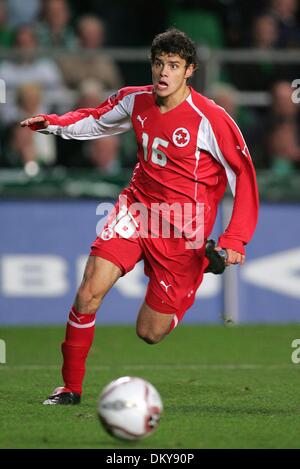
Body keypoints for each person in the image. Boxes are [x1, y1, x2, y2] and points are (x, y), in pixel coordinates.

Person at [20, 28, 259, 405]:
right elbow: (96, 119)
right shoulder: (135, 100)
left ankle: (193, 274)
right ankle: (69, 387)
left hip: (183, 231)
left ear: (190, 71)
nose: (164, 72)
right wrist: (54, 124)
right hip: (137, 210)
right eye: (159, 63)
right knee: (88, 292)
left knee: (149, 332)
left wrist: (234, 240)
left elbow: (244, 175)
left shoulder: (210, 118)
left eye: (174, 65)